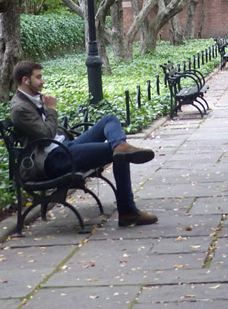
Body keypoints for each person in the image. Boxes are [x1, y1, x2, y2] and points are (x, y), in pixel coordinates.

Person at [10, 60, 158, 228]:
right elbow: (45, 135)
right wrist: (51, 109)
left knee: (109, 119)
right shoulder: (20, 108)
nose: (42, 81)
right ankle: (128, 211)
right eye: (38, 77)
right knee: (119, 156)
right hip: (53, 160)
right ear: (25, 80)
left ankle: (119, 145)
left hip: (62, 148)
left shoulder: (32, 99)